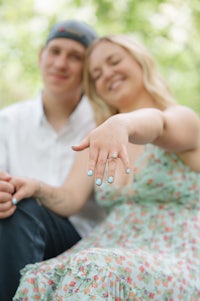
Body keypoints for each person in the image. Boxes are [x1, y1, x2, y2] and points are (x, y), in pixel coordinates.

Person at [12, 34, 200, 300]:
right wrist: (37, 188)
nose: (107, 74)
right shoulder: (99, 136)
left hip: (175, 254)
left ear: (141, 62)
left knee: (99, 268)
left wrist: (123, 124)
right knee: (39, 278)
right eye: (97, 74)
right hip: (108, 245)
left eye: (114, 61)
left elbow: (159, 124)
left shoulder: (180, 117)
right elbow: (70, 198)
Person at [0, 20, 107, 301]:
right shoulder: (8, 121)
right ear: (41, 56)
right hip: (16, 234)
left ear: (88, 70)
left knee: (23, 207)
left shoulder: (104, 123)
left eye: (75, 57)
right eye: (55, 51)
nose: (61, 63)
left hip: (83, 241)